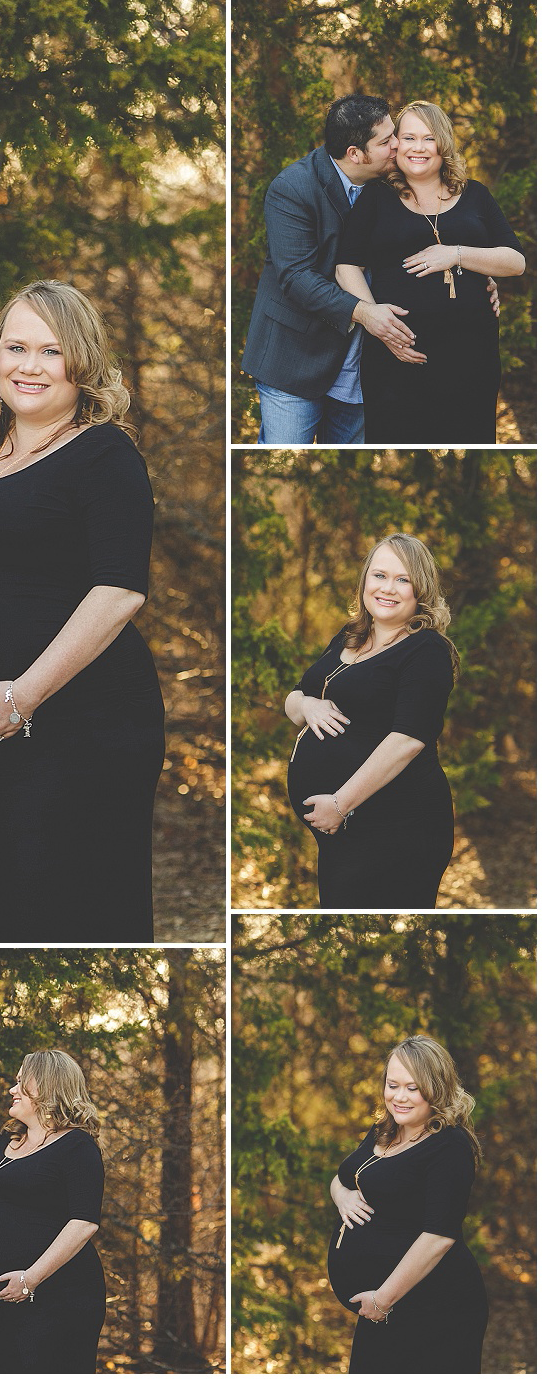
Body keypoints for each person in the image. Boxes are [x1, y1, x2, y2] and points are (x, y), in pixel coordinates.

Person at [0, 280, 164, 940]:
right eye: (15, 347)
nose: (28, 365)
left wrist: (26, 694)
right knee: (0, 910)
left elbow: (119, 591)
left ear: (82, 363)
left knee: (75, 907)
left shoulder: (103, 455)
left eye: (50, 351)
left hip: (80, 727)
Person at [240, 94, 499, 444]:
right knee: (287, 453)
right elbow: (297, 278)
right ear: (355, 154)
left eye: (396, 134)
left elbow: (418, 242)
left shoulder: (392, 184)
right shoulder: (293, 188)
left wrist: (474, 273)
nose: (398, 146)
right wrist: (366, 313)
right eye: (387, 141)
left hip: (362, 365)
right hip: (296, 358)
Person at [336, 100, 525, 444]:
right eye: (408, 138)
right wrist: (375, 318)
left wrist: (455, 254)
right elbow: (346, 265)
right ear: (396, 146)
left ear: (443, 143)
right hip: (397, 357)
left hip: (471, 360)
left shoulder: (476, 195)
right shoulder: (376, 198)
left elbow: (515, 261)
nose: (418, 148)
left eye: (428, 138)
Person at [285, 533, 457, 909]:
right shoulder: (349, 637)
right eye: (379, 575)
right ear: (365, 580)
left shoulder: (425, 649)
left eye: (402, 579)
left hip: (399, 827)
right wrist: (309, 705)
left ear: (420, 589)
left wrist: (340, 803)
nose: (388, 588)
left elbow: (409, 739)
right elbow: (294, 696)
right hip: (344, 830)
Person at [328, 1035, 488, 1373]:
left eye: (413, 1088)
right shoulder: (385, 1128)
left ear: (436, 1089)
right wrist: (342, 1196)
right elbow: (345, 1177)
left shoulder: (450, 1146)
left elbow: (440, 1236)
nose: (399, 1097)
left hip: (433, 1306)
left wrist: (382, 1300)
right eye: (393, 1084)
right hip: (383, 1308)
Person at [0, 1050, 106, 1374]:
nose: (12, 1090)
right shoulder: (8, 1138)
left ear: (45, 1087)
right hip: (5, 1298)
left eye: (20, 1083)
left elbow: (84, 1222)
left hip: (60, 1297)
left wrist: (31, 1279)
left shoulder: (77, 1147)